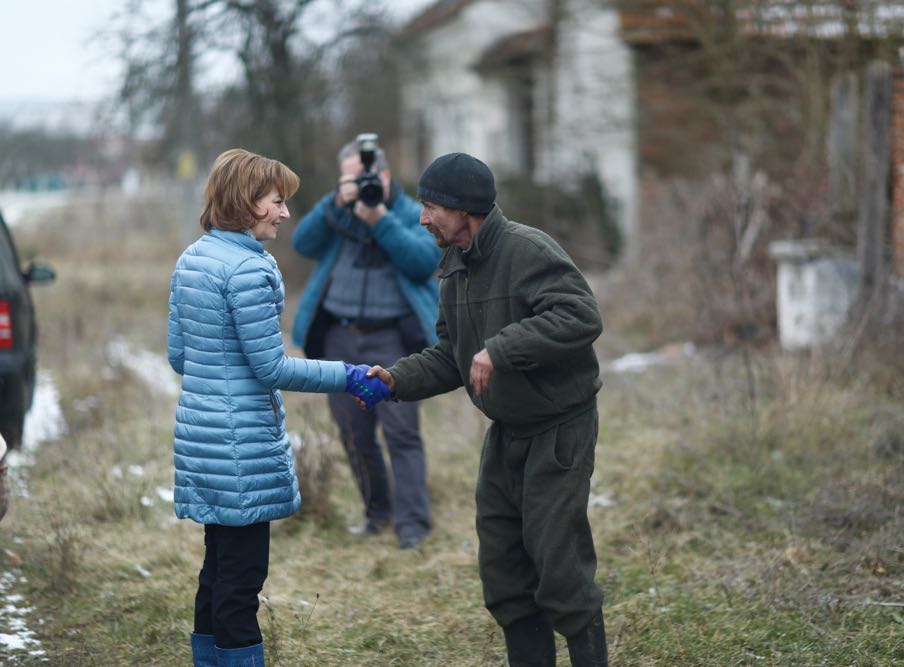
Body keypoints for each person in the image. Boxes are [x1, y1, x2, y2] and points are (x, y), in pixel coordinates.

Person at [367, 153, 609, 667]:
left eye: (430, 206)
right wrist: (395, 379)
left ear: (462, 209)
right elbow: (450, 356)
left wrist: (501, 348)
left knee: (559, 570)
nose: (422, 218)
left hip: (559, 429)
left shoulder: (527, 250)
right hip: (506, 434)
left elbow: (581, 315)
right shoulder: (454, 268)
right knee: (504, 575)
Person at [167, 148, 389, 667]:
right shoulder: (248, 269)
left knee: (216, 571)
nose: (285, 212)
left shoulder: (192, 258)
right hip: (240, 446)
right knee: (242, 583)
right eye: (276, 201)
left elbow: (179, 356)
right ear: (247, 203)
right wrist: (348, 374)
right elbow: (272, 368)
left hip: (200, 441)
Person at [291, 136, 439, 549]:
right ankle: (378, 515)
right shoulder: (337, 214)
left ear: (386, 176)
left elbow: (424, 262)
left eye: (366, 177)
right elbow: (302, 243)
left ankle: (412, 526)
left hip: (395, 338)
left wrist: (379, 219)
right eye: (351, 179)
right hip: (339, 336)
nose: (360, 185)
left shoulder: (411, 214)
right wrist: (334, 204)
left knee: (402, 431)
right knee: (354, 434)